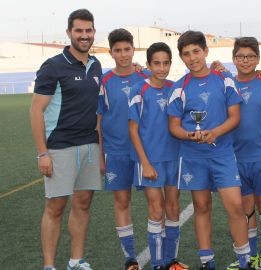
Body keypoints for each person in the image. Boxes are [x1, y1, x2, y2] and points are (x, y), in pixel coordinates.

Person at [167, 30, 252, 270]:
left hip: (222, 153)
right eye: (186, 54)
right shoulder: (179, 87)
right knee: (201, 207)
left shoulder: (224, 80)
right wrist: (190, 135)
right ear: (181, 58)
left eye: (196, 51)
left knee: (235, 205)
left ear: (205, 51)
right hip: (193, 155)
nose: (192, 57)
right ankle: (207, 261)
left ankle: (244, 260)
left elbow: (235, 117)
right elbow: (173, 126)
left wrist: (214, 133)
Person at [30, 9, 102, 270]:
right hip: (59, 147)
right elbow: (36, 110)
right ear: (69, 32)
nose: (84, 35)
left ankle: (76, 260)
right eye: (79, 31)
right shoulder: (53, 66)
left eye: (89, 30)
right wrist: (42, 153)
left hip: (90, 145)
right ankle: (49, 266)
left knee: (83, 203)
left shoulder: (96, 64)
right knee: (55, 206)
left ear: (94, 32)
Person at [223, 37, 261, 270]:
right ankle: (248, 255)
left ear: (257, 58)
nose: (245, 61)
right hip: (235, 158)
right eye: (240, 56)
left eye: (249, 56)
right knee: (244, 208)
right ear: (233, 59)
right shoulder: (227, 84)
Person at [128, 42, 187, 270]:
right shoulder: (139, 90)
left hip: (174, 157)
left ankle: (171, 261)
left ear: (171, 64)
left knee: (173, 207)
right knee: (156, 208)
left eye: (165, 63)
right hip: (150, 160)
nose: (161, 68)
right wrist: (144, 162)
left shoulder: (175, 88)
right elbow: (133, 129)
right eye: (157, 63)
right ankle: (157, 264)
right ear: (149, 65)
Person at [96, 28, 149, 270]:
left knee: (155, 200)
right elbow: (98, 122)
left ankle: (159, 255)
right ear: (111, 52)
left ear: (133, 50)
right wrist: (100, 156)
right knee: (122, 200)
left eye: (127, 49)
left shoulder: (146, 77)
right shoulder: (105, 82)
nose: (123, 54)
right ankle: (130, 257)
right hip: (116, 151)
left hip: (146, 152)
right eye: (118, 50)